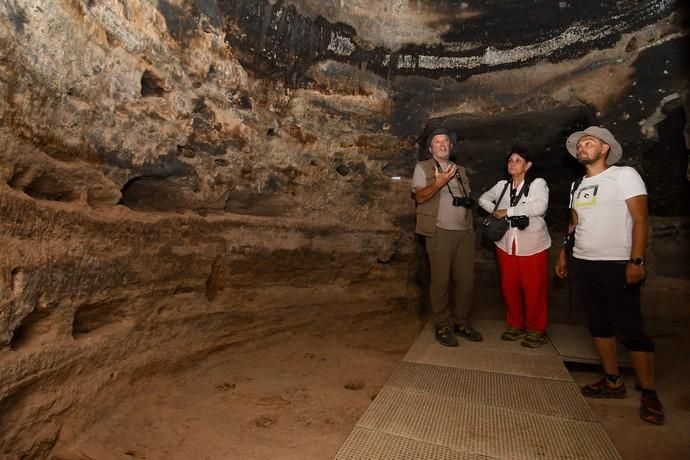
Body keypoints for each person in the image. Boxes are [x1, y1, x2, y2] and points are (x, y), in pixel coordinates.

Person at [555, 126, 664, 425]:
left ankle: (649, 393)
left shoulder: (623, 175)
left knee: (631, 327)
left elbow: (641, 219)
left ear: (605, 149)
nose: (582, 146)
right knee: (599, 324)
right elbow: (574, 224)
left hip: (619, 262)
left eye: (589, 142)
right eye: (579, 144)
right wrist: (565, 253)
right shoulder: (577, 185)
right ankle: (613, 380)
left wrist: (636, 260)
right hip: (585, 262)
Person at [412, 127, 482, 347]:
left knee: (466, 281)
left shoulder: (460, 170)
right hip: (439, 232)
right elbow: (420, 197)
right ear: (430, 148)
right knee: (440, 281)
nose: (442, 145)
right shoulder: (422, 167)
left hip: (464, 232)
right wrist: (439, 182)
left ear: (451, 147)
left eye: (446, 142)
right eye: (437, 142)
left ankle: (461, 322)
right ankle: (443, 324)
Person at [479, 148, 551, 348]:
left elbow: (539, 207)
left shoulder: (537, 184)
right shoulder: (502, 185)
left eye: (518, 160)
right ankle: (515, 324)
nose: (513, 163)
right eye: (510, 160)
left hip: (532, 245)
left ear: (527, 165)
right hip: (506, 244)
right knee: (510, 286)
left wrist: (508, 211)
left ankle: (536, 329)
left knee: (534, 288)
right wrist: (496, 212)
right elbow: (482, 199)